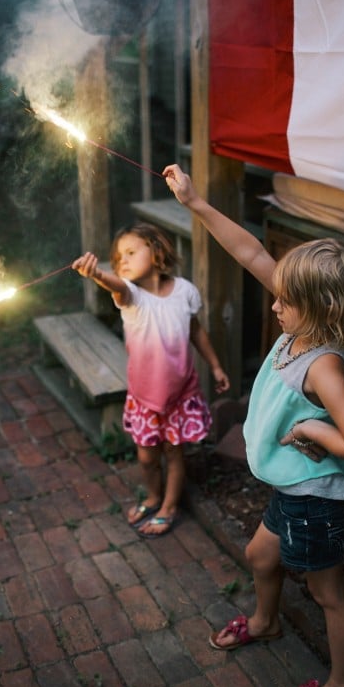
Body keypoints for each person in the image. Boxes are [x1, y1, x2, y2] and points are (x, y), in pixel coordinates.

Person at [163, 163, 344, 687]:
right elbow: (250, 253)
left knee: (327, 593)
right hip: (292, 490)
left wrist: (313, 430)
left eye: (284, 300)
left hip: (316, 498)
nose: (274, 303)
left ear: (321, 307)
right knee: (261, 555)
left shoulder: (324, 364)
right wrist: (195, 203)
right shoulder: (302, 321)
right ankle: (266, 621)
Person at [72, 221, 230, 538]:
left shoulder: (185, 292)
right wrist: (97, 275)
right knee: (146, 457)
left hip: (181, 395)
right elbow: (115, 284)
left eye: (131, 252)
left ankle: (169, 506)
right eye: (118, 258)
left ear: (156, 250)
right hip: (146, 398)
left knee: (174, 453)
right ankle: (154, 495)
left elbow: (196, 330)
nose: (123, 261)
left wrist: (215, 366)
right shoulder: (131, 296)